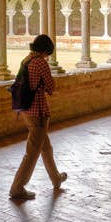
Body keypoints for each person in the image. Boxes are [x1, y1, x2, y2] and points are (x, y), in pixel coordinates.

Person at [9, 34, 67, 200]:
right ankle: (17, 187)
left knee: (45, 147)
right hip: (39, 112)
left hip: (26, 111)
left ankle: (56, 179)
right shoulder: (41, 62)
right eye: (48, 53)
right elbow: (51, 87)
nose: (48, 56)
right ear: (45, 50)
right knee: (32, 152)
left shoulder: (26, 60)